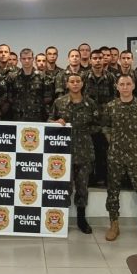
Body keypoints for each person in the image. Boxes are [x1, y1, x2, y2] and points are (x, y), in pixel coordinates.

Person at [101, 75, 137, 241]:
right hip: (115, 155)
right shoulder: (111, 106)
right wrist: (113, 141)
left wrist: (136, 141)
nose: (125, 87)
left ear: (133, 86)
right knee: (113, 190)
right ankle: (114, 224)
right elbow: (105, 127)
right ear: (117, 87)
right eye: (122, 84)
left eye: (128, 84)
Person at [50, 73, 99, 233]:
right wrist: (56, 123)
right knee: (64, 186)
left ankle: (81, 219)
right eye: (72, 81)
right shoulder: (59, 102)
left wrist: (84, 130)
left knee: (82, 187)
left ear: (82, 84)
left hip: (84, 150)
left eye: (78, 81)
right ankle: (61, 219)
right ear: (67, 84)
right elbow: (49, 121)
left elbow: (98, 125)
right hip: (63, 152)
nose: (75, 84)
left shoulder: (90, 103)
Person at [83, 49, 116, 186]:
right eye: (95, 58)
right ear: (90, 60)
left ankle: (103, 178)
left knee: (105, 151)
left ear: (104, 60)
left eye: (100, 58)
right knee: (89, 151)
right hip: (89, 121)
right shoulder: (84, 76)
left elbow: (115, 98)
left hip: (105, 121)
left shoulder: (111, 77)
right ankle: (90, 179)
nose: (97, 61)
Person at [6, 48, 49, 121]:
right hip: (17, 117)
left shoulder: (43, 77)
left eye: (29, 58)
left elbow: (47, 98)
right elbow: (9, 98)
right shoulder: (13, 77)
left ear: (33, 59)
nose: (27, 61)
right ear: (20, 60)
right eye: (24, 58)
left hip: (37, 118)